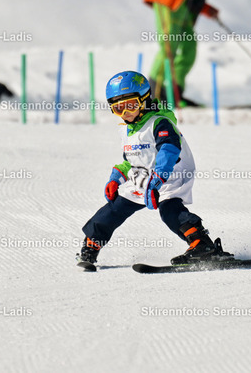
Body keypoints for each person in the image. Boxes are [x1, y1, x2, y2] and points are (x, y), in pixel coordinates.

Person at [77, 71, 233, 266]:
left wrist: (157, 179)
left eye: (131, 105)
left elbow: (169, 150)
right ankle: (91, 246)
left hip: (169, 177)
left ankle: (202, 245)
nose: (126, 113)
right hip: (143, 179)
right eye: (118, 108)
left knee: (169, 210)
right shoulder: (125, 129)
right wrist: (116, 177)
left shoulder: (159, 123)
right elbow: (131, 160)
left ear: (144, 100)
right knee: (113, 210)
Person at [144, 0, 219, 107]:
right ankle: (153, 92)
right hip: (167, 1)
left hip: (182, 8)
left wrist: (206, 9)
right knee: (168, 47)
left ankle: (173, 93)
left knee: (189, 48)